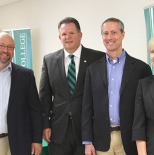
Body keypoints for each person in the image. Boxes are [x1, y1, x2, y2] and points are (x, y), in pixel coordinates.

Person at [82, 17, 152, 155]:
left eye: (114, 32)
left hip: (130, 140)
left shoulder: (141, 68)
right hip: (101, 141)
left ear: (123, 34)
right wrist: (87, 141)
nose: (109, 37)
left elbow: (147, 108)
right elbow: (87, 107)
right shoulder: (92, 70)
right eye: (106, 33)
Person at [39, 17, 105, 155]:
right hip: (58, 131)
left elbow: (102, 95)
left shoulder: (97, 58)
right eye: (64, 34)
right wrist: (45, 125)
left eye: (72, 33)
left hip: (87, 131)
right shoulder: (49, 60)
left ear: (80, 35)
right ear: (59, 37)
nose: (67, 37)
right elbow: (44, 96)